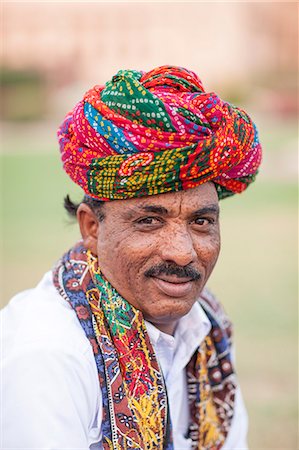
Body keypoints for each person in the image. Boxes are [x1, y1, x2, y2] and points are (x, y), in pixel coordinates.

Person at [1, 65, 262, 449]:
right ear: (91, 228)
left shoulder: (208, 329)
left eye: (202, 220)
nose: (182, 251)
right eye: (149, 221)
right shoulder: (47, 353)